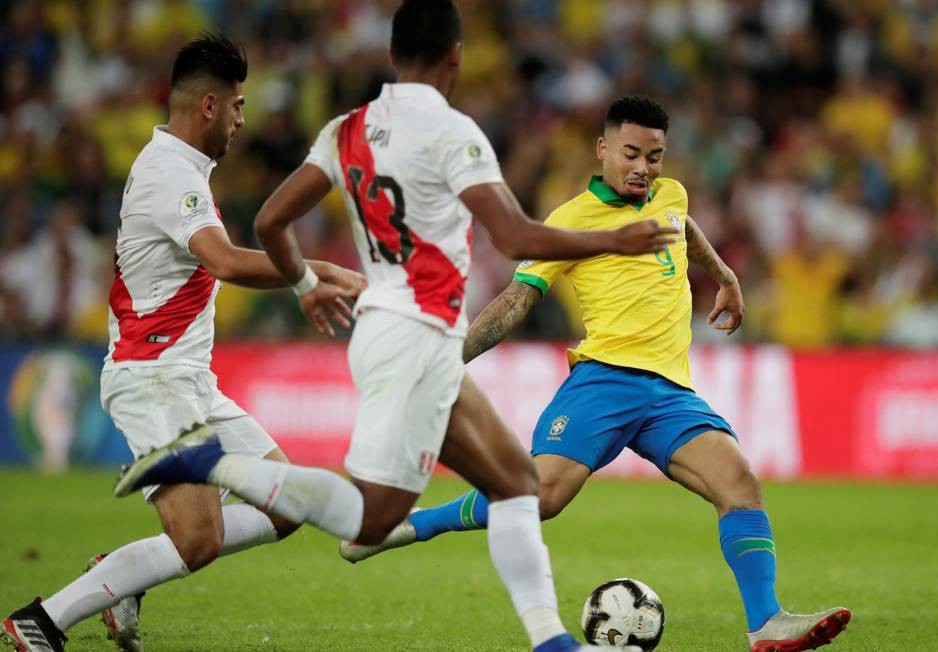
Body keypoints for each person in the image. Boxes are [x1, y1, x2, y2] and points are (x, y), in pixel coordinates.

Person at [109, 2, 672, 651]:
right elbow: (515, 236)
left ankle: (551, 641)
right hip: (419, 334)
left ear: (393, 56)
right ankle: (214, 463)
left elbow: (269, 222)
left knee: (514, 483)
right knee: (371, 515)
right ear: (455, 57)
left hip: (383, 328)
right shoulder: (455, 133)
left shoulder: (346, 129)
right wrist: (613, 240)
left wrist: (304, 285)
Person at [340, 95, 853, 652]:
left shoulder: (671, 194)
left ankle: (766, 624)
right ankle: (410, 524)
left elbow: (684, 226)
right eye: (631, 154)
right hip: (605, 381)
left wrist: (724, 274)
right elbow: (516, 300)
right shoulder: (569, 221)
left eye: (654, 157)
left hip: (670, 393)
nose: (643, 168)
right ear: (603, 149)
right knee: (540, 496)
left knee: (740, 485)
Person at [1, 33, 364, 652]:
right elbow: (224, 260)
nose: (242, 120)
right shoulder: (170, 175)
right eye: (238, 106)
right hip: (153, 378)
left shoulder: (184, 169)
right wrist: (317, 273)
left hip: (190, 380)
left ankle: (122, 577)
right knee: (198, 540)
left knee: (287, 503)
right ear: (209, 106)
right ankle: (42, 621)